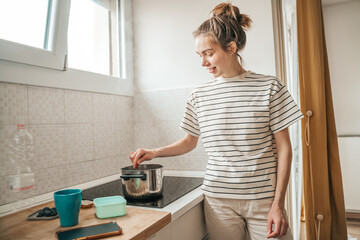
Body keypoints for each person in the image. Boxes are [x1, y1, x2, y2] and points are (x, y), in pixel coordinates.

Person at [130, 2, 303, 240]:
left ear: (231, 48)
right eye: (199, 55)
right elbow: (189, 142)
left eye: (209, 54)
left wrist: (278, 203)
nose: (203, 62)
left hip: (263, 200)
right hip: (218, 200)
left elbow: (284, 148)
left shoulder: (269, 87)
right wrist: (154, 152)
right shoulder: (198, 96)